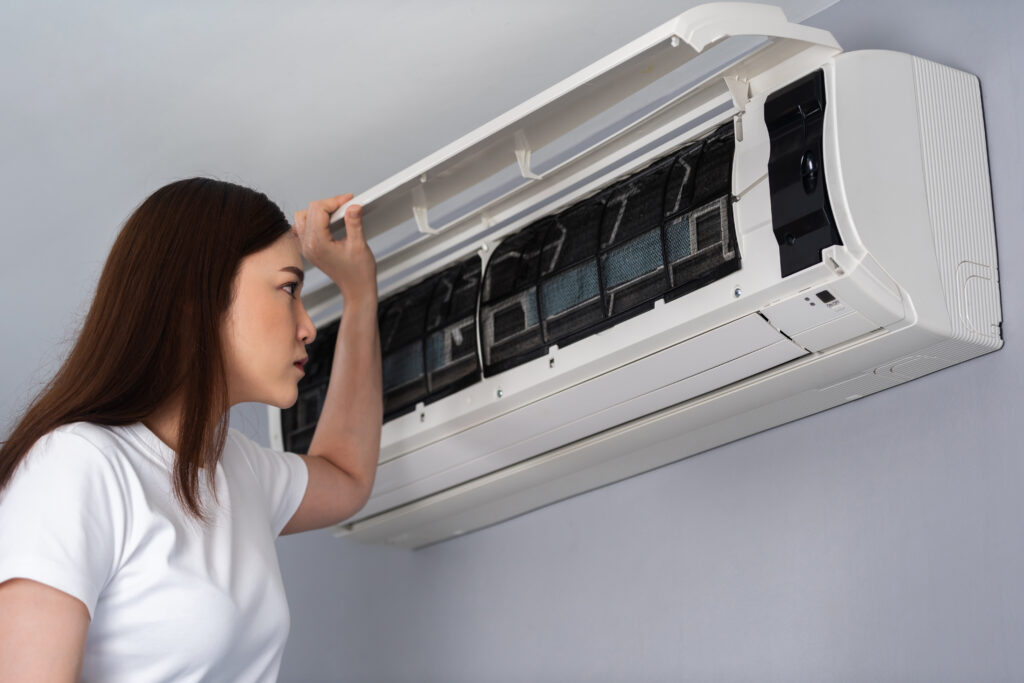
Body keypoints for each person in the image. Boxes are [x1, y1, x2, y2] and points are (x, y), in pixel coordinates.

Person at [0, 178, 382, 682]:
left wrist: (359, 297)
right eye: (288, 288)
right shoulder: (78, 465)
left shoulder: (239, 470)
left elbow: (347, 475)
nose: (307, 326)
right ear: (194, 297)